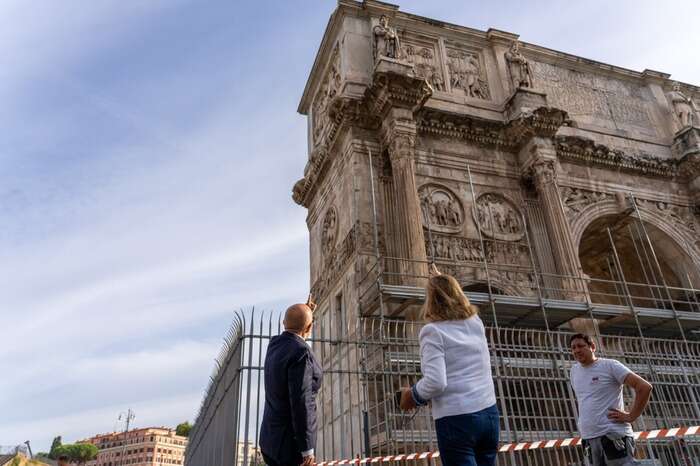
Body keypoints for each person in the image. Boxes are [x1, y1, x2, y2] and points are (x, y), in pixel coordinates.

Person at [399, 268, 499, 466]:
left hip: (457, 420)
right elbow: (458, 299)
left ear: (431, 300)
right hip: (489, 414)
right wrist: (443, 281)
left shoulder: (432, 331)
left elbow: (436, 382)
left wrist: (412, 396)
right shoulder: (475, 322)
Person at [569, 333, 653, 466]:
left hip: (613, 436)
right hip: (589, 438)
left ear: (592, 347)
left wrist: (631, 416)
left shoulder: (610, 366)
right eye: (573, 348)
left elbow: (644, 387)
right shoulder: (574, 371)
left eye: (580, 346)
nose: (576, 350)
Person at [260, 300, 322, 466]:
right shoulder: (302, 353)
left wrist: (305, 313)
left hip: (270, 439)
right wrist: (307, 450)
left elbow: (295, 326)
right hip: (290, 445)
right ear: (309, 328)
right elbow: (302, 402)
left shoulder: (274, 345)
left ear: (283, 323)